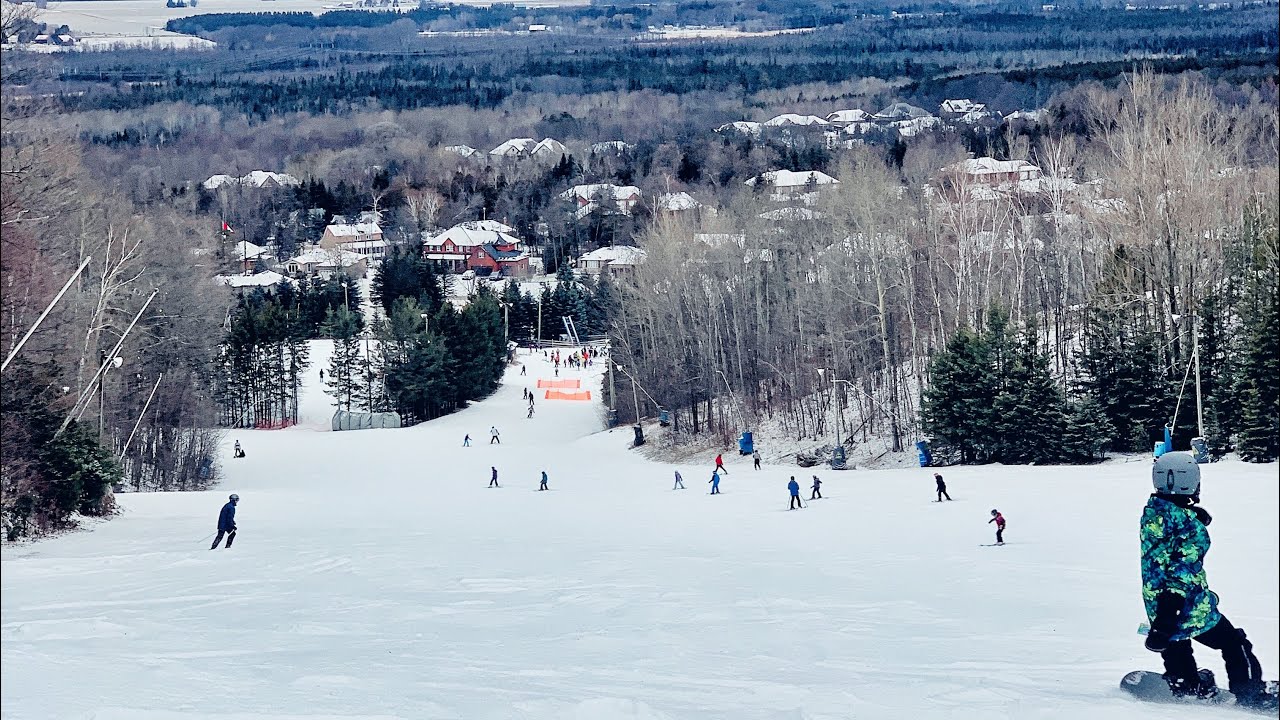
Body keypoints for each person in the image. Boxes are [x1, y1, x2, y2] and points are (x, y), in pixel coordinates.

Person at [1140, 452, 1277, 709]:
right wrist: (1169, 616)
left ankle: (1188, 684)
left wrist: (1190, 513)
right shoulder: (1190, 530)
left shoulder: (1152, 514)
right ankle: (1250, 694)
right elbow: (1182, 571)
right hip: (1185, 604)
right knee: (1234, 643)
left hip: (1156, 601)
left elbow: (1167, 536)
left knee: (1176, 643)